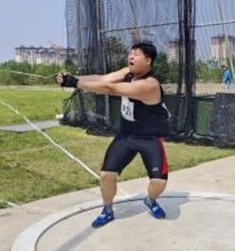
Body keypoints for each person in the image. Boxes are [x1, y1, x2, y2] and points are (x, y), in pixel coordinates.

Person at [57, 42, 171, 228]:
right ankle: (107, 210)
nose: (131, 57)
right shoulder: (128, 73)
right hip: (126, 135)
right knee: (106, 175)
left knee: (158, 182)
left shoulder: (150, 85)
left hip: (149, 137)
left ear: (148, 60)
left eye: (136, 54)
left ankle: (150, 200)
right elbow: (104, 79)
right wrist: (73, 77)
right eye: (130, 53)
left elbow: (111, 89)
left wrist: (76, 83)